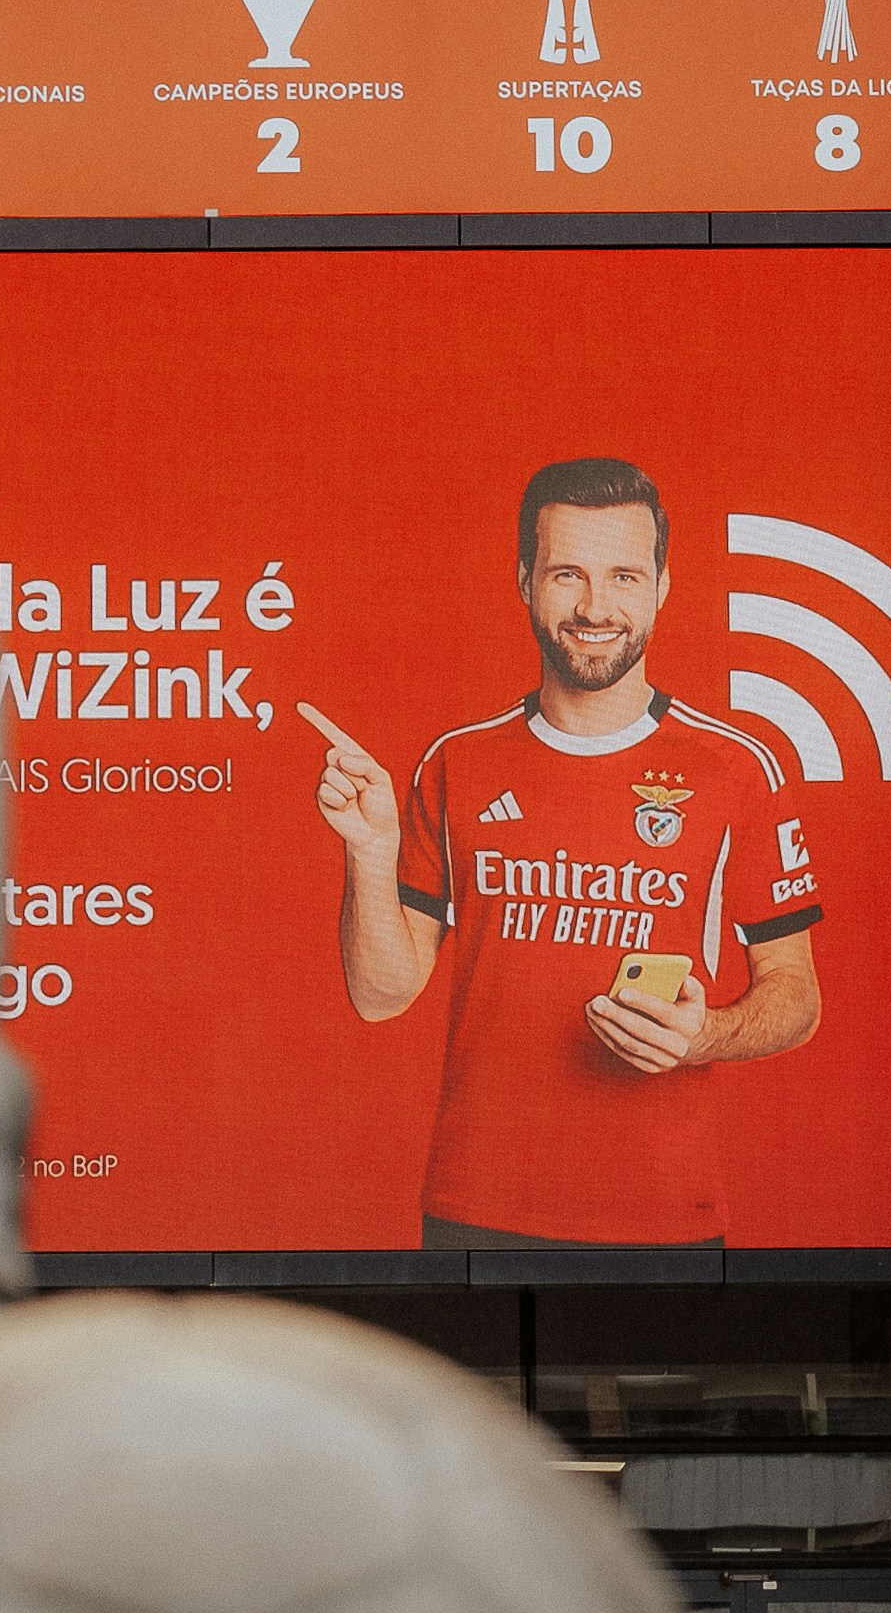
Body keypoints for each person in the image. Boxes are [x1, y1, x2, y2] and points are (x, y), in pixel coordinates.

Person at [300, 455, 822, 1248]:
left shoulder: (736, 768)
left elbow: (796, 994)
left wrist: (704, 1036)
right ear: (523, 582)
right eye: (566, 574)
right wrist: (368, 852)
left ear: (661, 586)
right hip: (473, 1207)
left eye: (622, 576)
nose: (593, 606)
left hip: (665, 1214)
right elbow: (381, 994)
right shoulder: (455, 762)